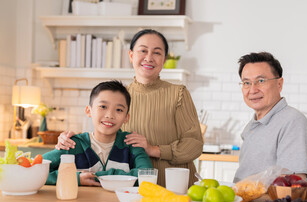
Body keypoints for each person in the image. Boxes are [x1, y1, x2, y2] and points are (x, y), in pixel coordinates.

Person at [55, 29, 203, 187]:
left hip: (174, 186)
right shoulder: (120, 98)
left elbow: (194, 144)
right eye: (143, 51)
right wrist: (70, 141)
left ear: (164, 60)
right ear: (131, 56)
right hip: (131, 188)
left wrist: (154, 149)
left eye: (157, 53)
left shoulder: (178, 94)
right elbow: (104, 137)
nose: (149, 58)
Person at [44, 80, 152, 186]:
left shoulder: (132, 143)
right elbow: (35, 168)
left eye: (119, 110)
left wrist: (97, 176)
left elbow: (147, 177)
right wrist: (75, 178)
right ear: (88, 111)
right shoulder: (73, 144)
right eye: (103, 107)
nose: (110, 115)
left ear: (126, 117)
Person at [233, 52, 307, 183]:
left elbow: (293, 184)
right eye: (246, 82)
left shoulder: (293, 121)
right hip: (242, 200)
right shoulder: (252, 125)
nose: (252, 90)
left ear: (279, 84)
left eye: (261, 81)